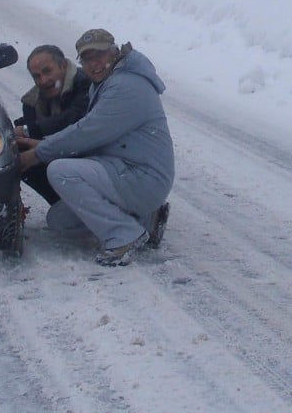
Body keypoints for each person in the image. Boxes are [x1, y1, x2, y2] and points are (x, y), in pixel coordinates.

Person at [16, 28, 173, 266]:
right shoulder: (105, 83)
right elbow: (91, 136)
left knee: (61, 171)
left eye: (99, 55)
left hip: (143, 176)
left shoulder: (127, 86)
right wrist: (44, 144)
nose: (93, 63)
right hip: (125, 170)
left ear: (115, 52)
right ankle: (146, 220)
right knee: (59, 221)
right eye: (87, 59)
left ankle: (124, 235)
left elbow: (87, 132)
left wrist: (39, 153)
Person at [12, 44, 92, 206]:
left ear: (63, 65)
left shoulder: (86, 84)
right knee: (14, 154)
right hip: (61, 152)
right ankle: (62, 205)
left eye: (47, 71)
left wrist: (27, 131)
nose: (43, 80)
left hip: (94, 156)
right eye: (36, 76)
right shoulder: (32, 103)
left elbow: (73, 118)